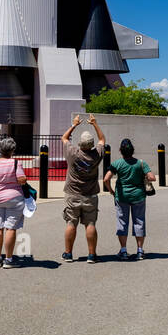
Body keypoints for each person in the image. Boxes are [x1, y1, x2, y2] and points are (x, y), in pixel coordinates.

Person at [60, 113, 105, 263]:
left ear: (80, 144)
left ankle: (68, 253)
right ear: (91, 144)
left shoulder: (73, 153)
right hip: (90, 195)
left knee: (71, 223)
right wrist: (94, 124)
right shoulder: (97, 154)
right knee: (90, 224)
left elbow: (64, 138)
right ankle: (92, 255)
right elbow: (102, 140)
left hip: (73, 194)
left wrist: (74, 125)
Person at [103, 137, 153, 259]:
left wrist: (111, 191)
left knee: (122, 222)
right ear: (133, 150)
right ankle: (140, 251)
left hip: (122, 197)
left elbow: (106, 179)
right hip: (138, 196)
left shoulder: (117, 163)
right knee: (139, 221)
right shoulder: (141, 163)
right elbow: (152, 177)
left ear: (120, 150)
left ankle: (123, 250)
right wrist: (144, 177)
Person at [0, 136, 28, 268]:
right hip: (14, 198)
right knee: (10, 228)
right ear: (12, 150)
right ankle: (8, 259)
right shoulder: (16, 163)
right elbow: (22, 180)